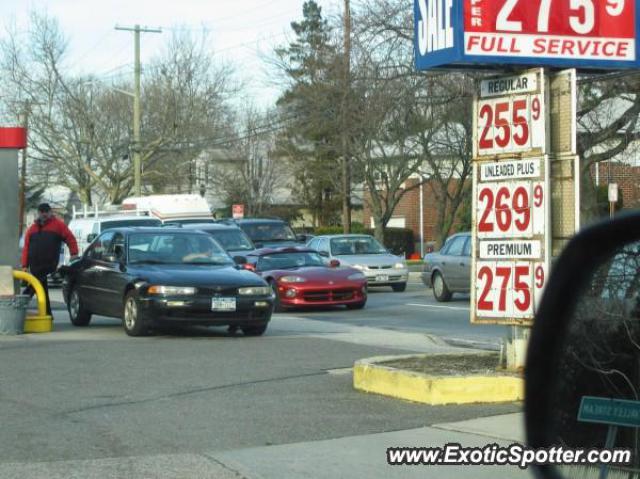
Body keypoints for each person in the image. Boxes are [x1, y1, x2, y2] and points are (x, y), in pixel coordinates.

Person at [21, 203, 79, 318]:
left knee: (35, 287)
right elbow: (26, 248)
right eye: (42, 211)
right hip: (35, 265)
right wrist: (24, 265)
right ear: (38, 213)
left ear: (50, 212)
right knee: (42, 289)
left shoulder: (58, 226)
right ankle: (47, 314)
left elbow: (70, 238)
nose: (44, 214)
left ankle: (20, 305)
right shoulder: (32, 229)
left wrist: (74, 253)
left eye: (46, 211)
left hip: (49, 265)